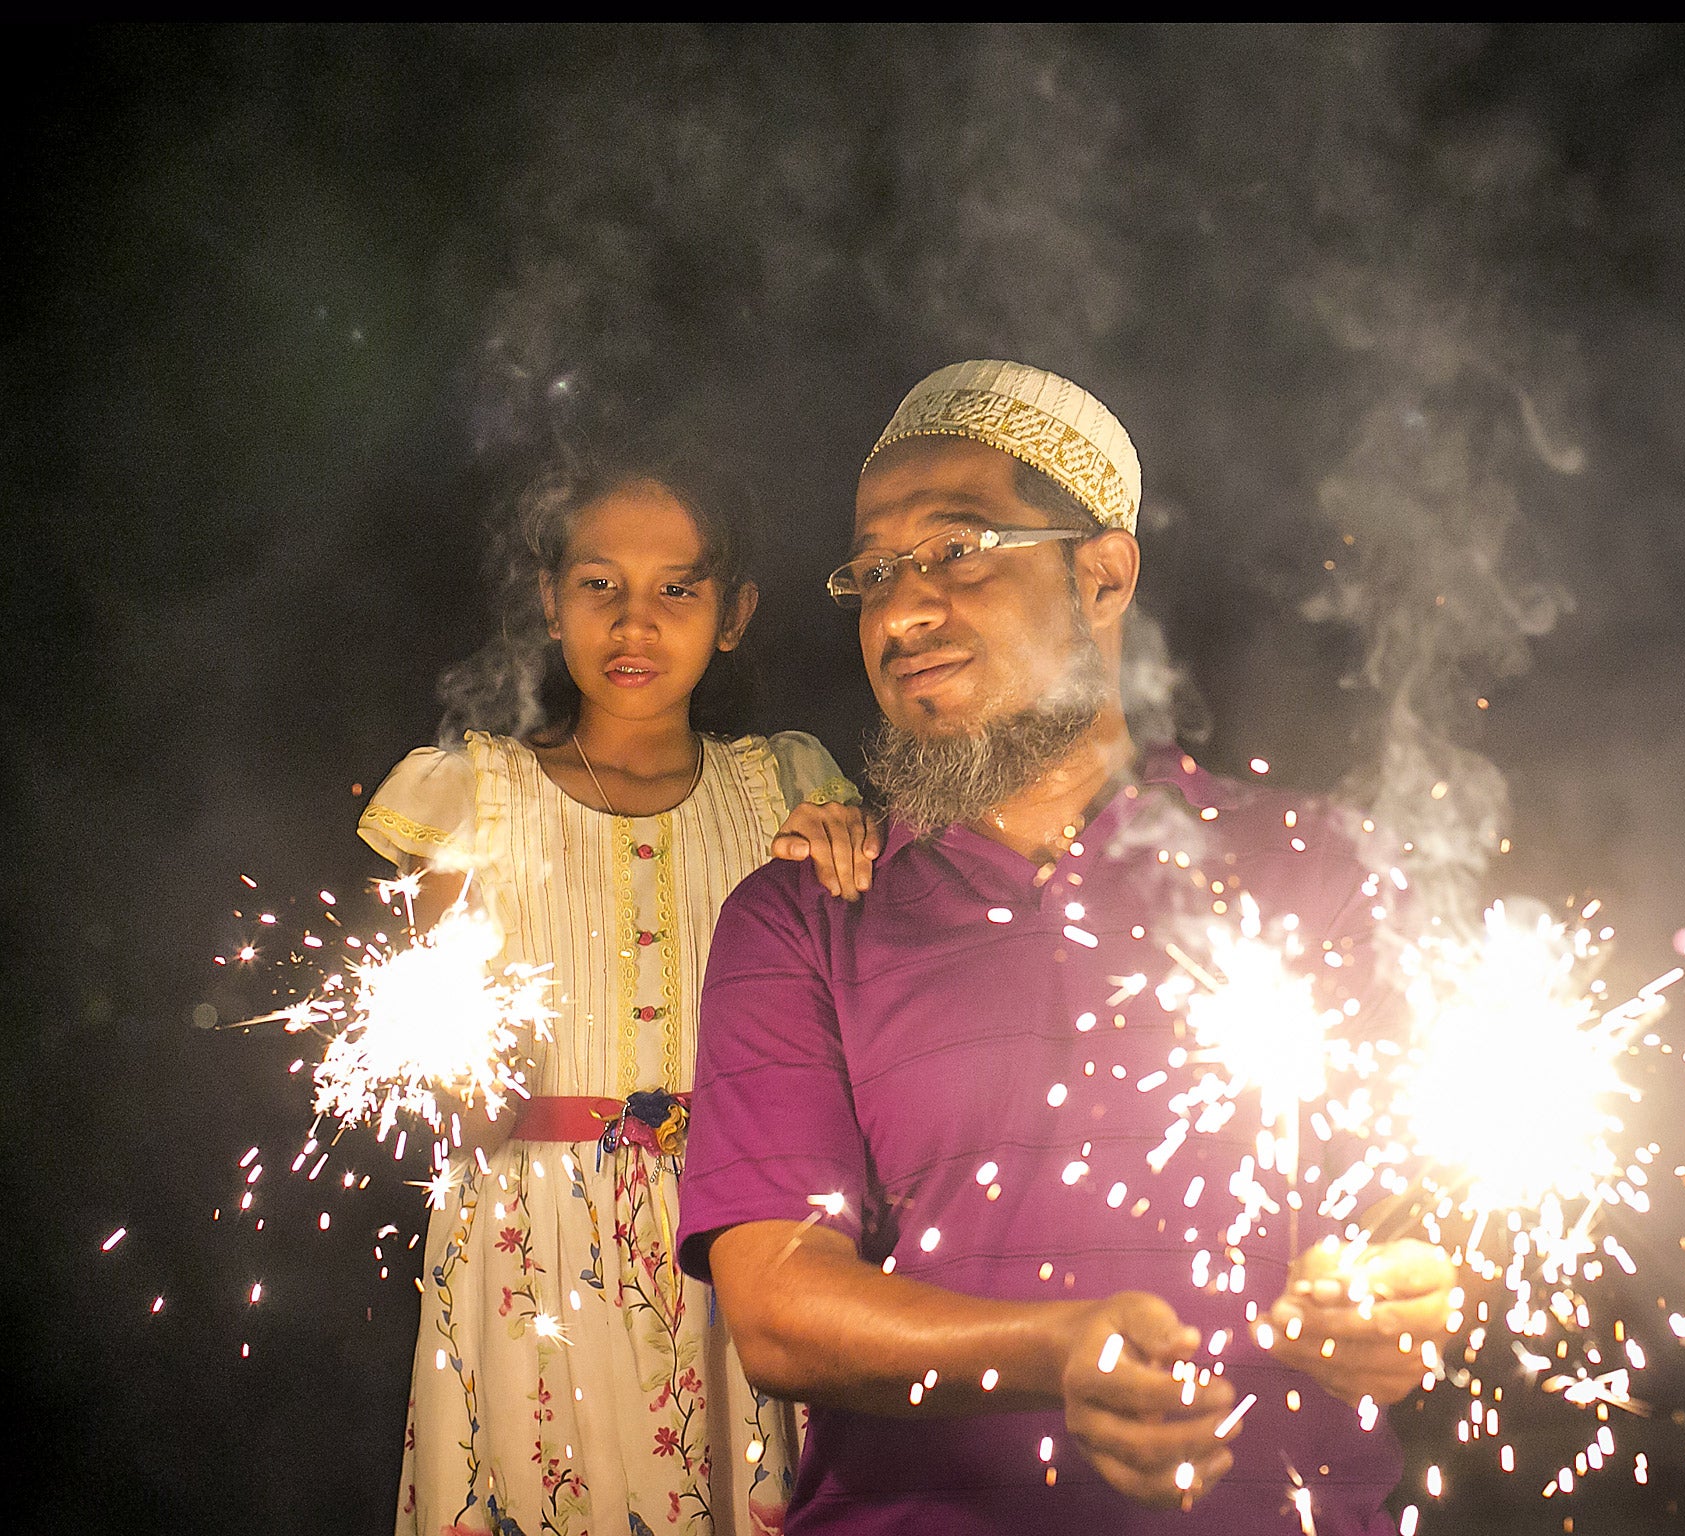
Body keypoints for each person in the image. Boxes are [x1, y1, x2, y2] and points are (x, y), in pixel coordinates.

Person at [677, 362, 1457, 1534]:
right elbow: (780, 1311)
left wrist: (1396, 1303)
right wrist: (1055, 1349)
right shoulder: (798, 916)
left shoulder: (1320, 868)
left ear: (1101, 573)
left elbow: (1407, 1218)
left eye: (955, 550)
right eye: (873, 573)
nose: (899, 613)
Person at [360, 447, 879, 1536]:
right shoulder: (474, 797)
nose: (633, 624)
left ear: (731, 611)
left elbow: (851, 1025)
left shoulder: (787, 788)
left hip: (735, 1234)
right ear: (552, 602)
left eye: (675, 590)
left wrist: (845, 857)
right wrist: (451, 1035)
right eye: (600, 586)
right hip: (527, 1245)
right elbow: (452, 1097)